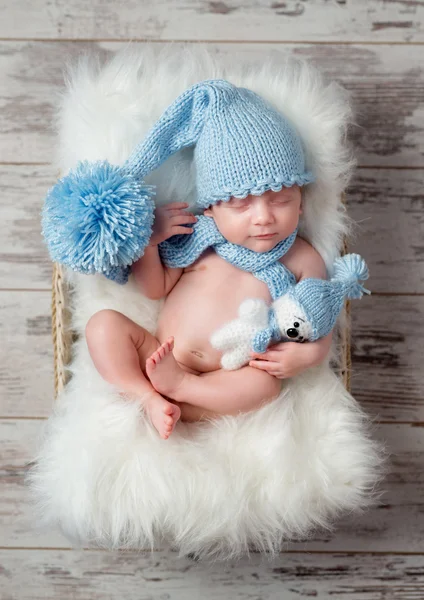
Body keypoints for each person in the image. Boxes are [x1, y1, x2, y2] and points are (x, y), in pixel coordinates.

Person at [85, 185, 332, 440]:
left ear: (300, 204)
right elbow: (154, 288)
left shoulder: (303, 258)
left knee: (266, 386)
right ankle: (144, 396)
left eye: (280, 200)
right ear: (211, 209)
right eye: (241, 205)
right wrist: (150, 242)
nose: (263, 218)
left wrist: (310, 354)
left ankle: (182, 389)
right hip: (158, 356)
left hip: (226, 376)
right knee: (102, 325)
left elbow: (322, 318)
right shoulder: (199, 240)